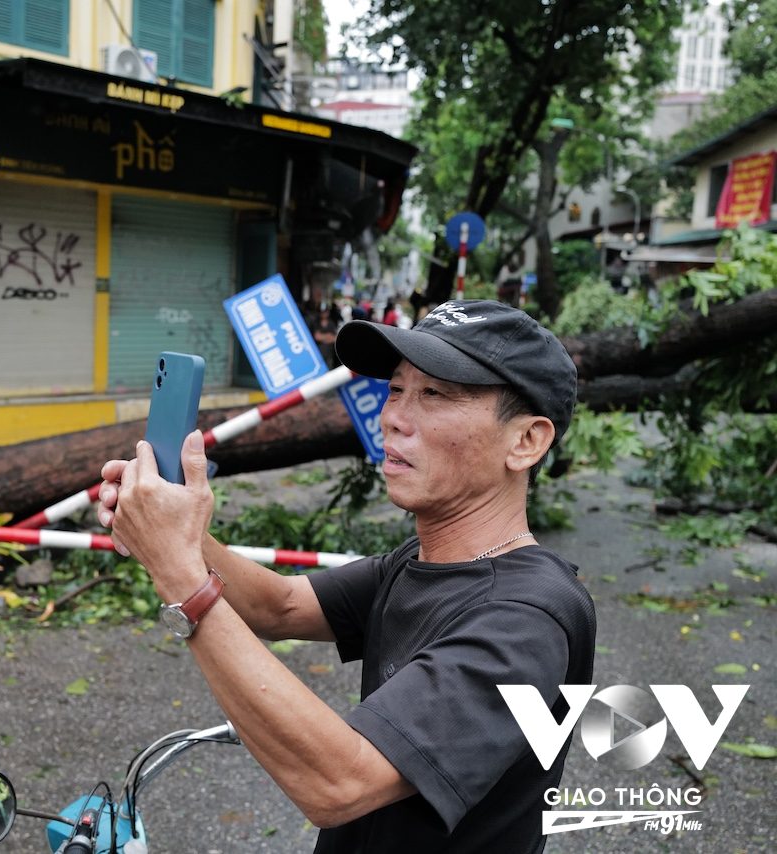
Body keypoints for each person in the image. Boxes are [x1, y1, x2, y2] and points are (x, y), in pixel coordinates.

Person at [97, 300, 595, 853]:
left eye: (435, 394)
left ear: (526, 441)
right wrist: (172, 529)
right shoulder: (423, 559)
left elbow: (339, 782)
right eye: (398, 390)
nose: (394, 417)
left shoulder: (527, 619)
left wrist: (182, 576)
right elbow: (281, 604)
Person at [313, 304, 342, 368]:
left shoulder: (331, 323)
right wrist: (328, 336)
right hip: (319, 351)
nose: (324, 314)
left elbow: (334, 338)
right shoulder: (316, 323)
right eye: (322, 312)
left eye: (325, 312)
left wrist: (323, 337)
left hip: (329, 352)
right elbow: (317, 337)